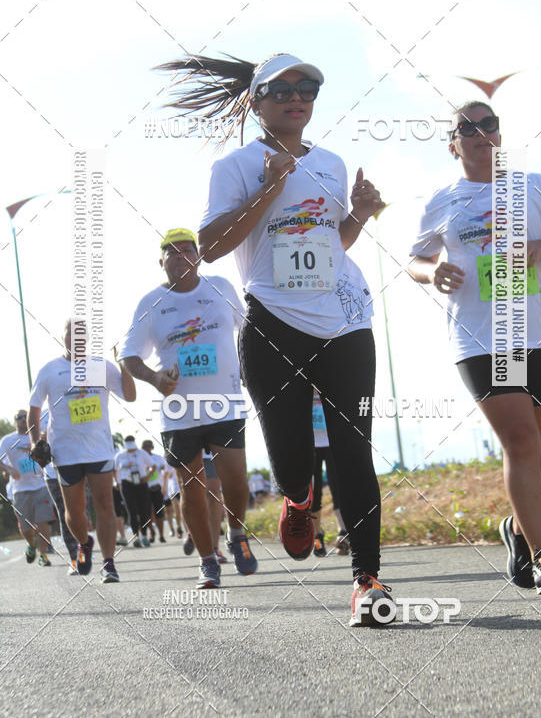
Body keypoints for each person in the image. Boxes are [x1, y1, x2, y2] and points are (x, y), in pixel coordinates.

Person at [160, 51, 393, 625]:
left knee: (352, 449)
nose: (297, 97)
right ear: (256, 100)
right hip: (273, 325)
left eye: (308, 88)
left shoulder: (334, 164)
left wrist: (359, 215)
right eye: (282, 88)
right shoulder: (235, 166)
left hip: (345, 318)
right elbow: (210, 247)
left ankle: (367, 579)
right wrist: (268, 190)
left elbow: (331, 243)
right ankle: (298, 497)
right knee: (292, 459)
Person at [408, 101, 541, 594]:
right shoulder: (443, 199)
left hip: (538, 333)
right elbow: (415, 260)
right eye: (466, 127)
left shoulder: (536, 186)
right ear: (453, 145)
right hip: (481, 338)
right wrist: (433, 271)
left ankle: (516, 527)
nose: (479, 132)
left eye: (488, 124)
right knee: (522, 443)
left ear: (500, 135)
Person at [119, 227, 257, 589]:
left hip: (224, 403)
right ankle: (207, 560)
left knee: (235, 480)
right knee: (191, 487)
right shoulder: (151, 302)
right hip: (179, 410)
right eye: (172, 252)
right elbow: (129, 356)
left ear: (197, 256)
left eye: (187, 250)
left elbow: (247, 330)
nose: (181, 256)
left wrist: (247, 370)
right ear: (161, 261)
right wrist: (154, 377)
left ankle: (237, 532)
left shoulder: (221, 287)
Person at [28, 324, 136, 583]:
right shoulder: (50, 370)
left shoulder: (102, 366)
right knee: (75, 512)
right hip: (65, 452)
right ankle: (85, 542)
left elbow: (130, 396)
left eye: (80, 334)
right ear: (62, 336)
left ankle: (109, 562)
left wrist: (123, 364)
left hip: (99, 449)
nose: (74, 338)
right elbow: (33, 409)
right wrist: (35, 442)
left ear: (86, 339)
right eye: (69, 333)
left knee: (105, 505)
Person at [0, 410, 53, 567]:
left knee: (43, 520)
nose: (23, 419)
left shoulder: (38, 436)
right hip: (20, 489)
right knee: (25, 526)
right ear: (15, 422)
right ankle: (31, 544)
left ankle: (43, 555)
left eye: (25, 417)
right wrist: (8, 470)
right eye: (19, 418)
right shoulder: (7, 440)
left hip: (41, 484)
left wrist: (45, 441)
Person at [40, 410, 79, 574]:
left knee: (78, 512)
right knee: (64, 513)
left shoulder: (74, 406)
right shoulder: (41, 415)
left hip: (77, 467)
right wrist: (41, 438)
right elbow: (34, 442)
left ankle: (83, 548)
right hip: (52, 473)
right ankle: (74, 560)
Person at [311, 389, 348, 557]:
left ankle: (343, 531)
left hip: (332, 442)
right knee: (315, 492)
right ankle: (317, 534)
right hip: (311, 445)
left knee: (338, 487)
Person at [115, 436, 154, 547]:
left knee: (143, 510)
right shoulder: (120, 455)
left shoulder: (142, 453)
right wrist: (117, 482)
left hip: (141, 483)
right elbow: (115, 469)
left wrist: (147, 476)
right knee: (131, 511)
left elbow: (152, 466)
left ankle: (145, 535)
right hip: (126, 484)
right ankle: (135, 536)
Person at [141, 440, 168, 543]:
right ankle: (152, 532)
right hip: (145, 488)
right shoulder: (141, 459)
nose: (147, 448)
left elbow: (165, 468)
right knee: (148, 513)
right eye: (145, 447)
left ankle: (161, 535)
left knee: (159, 512)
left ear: (152, 447)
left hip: (157, 488)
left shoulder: (157, 458)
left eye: (149, 446)